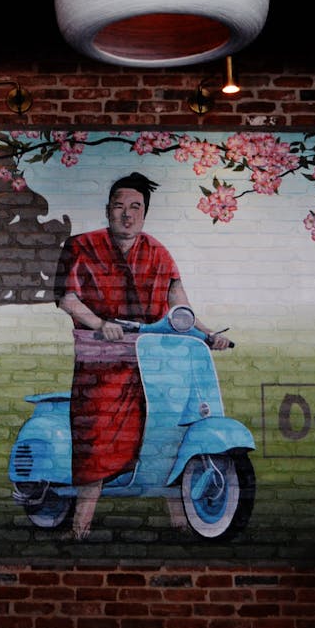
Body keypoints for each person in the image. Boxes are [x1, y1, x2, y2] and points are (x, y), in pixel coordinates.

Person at [54, 172, 232, 539]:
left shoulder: (158, 252)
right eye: (119, 206)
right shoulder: (80, 246)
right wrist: (99, 322)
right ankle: (80, 527)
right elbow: (67, 297)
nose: (127, 214)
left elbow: (179, 309)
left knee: (171, 429)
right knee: (98, 436)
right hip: (102, 361)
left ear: (145, 213)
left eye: (135, 207)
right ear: (108, 209)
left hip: (156, 359)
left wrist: (209, 334)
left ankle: (182, 522)